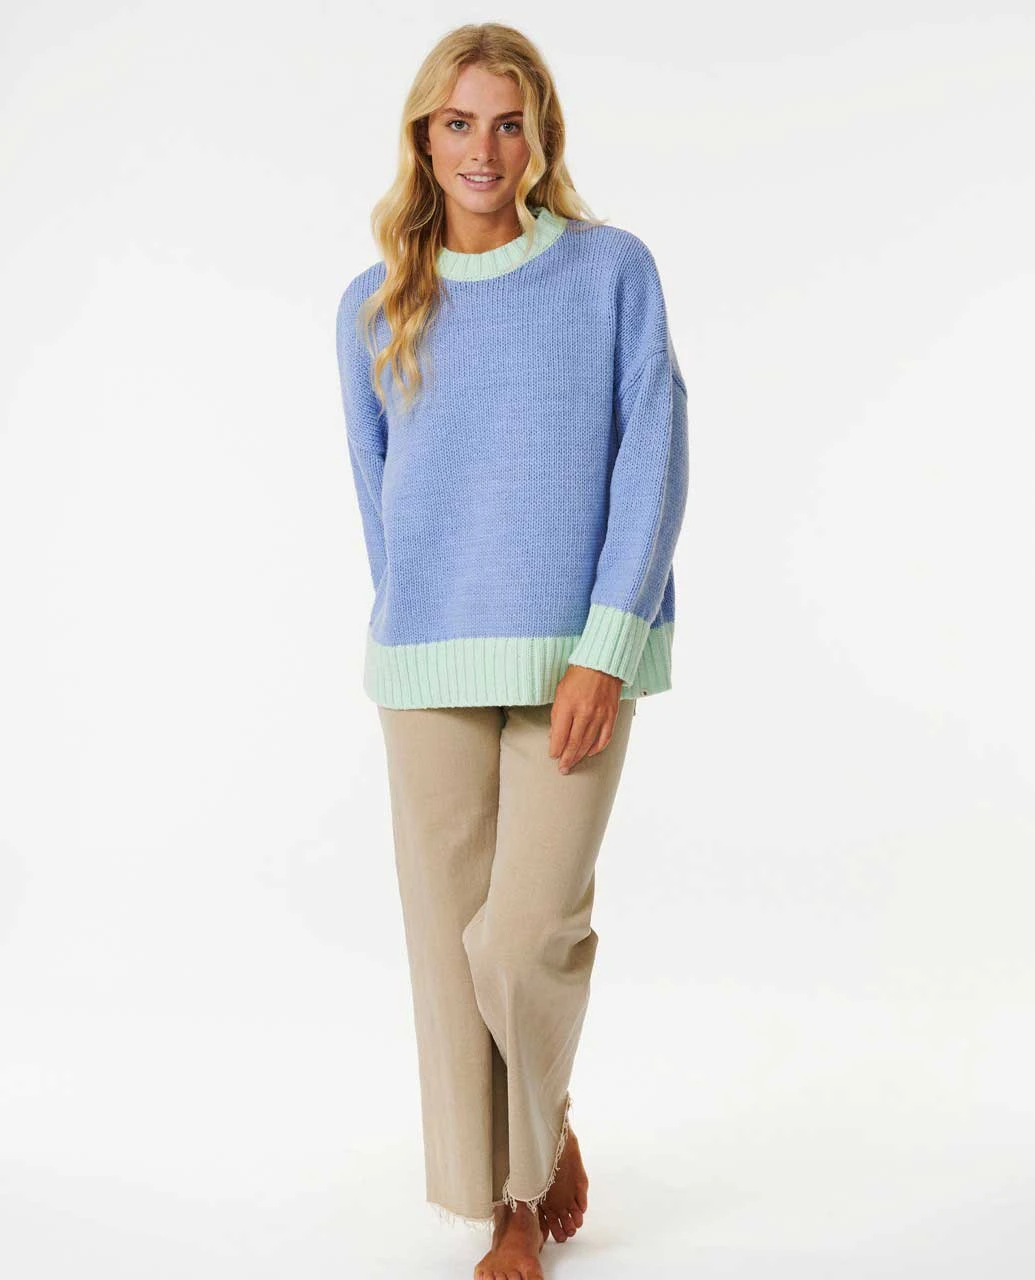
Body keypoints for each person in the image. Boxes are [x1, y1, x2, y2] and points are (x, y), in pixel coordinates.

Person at [335, 22, 688, 1280]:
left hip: (574, 658)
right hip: (427, 665)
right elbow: (380, 498)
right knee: (450, 955)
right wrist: (413, 629)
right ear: (423, 141)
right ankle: (514, 1202)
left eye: (506, 122)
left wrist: (607, 646)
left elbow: (653, 458)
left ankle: (539, 1131)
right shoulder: (372, 303)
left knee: (522, 933)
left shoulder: (609, 272)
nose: (482, 148)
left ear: (541, 137)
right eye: (457, 123)